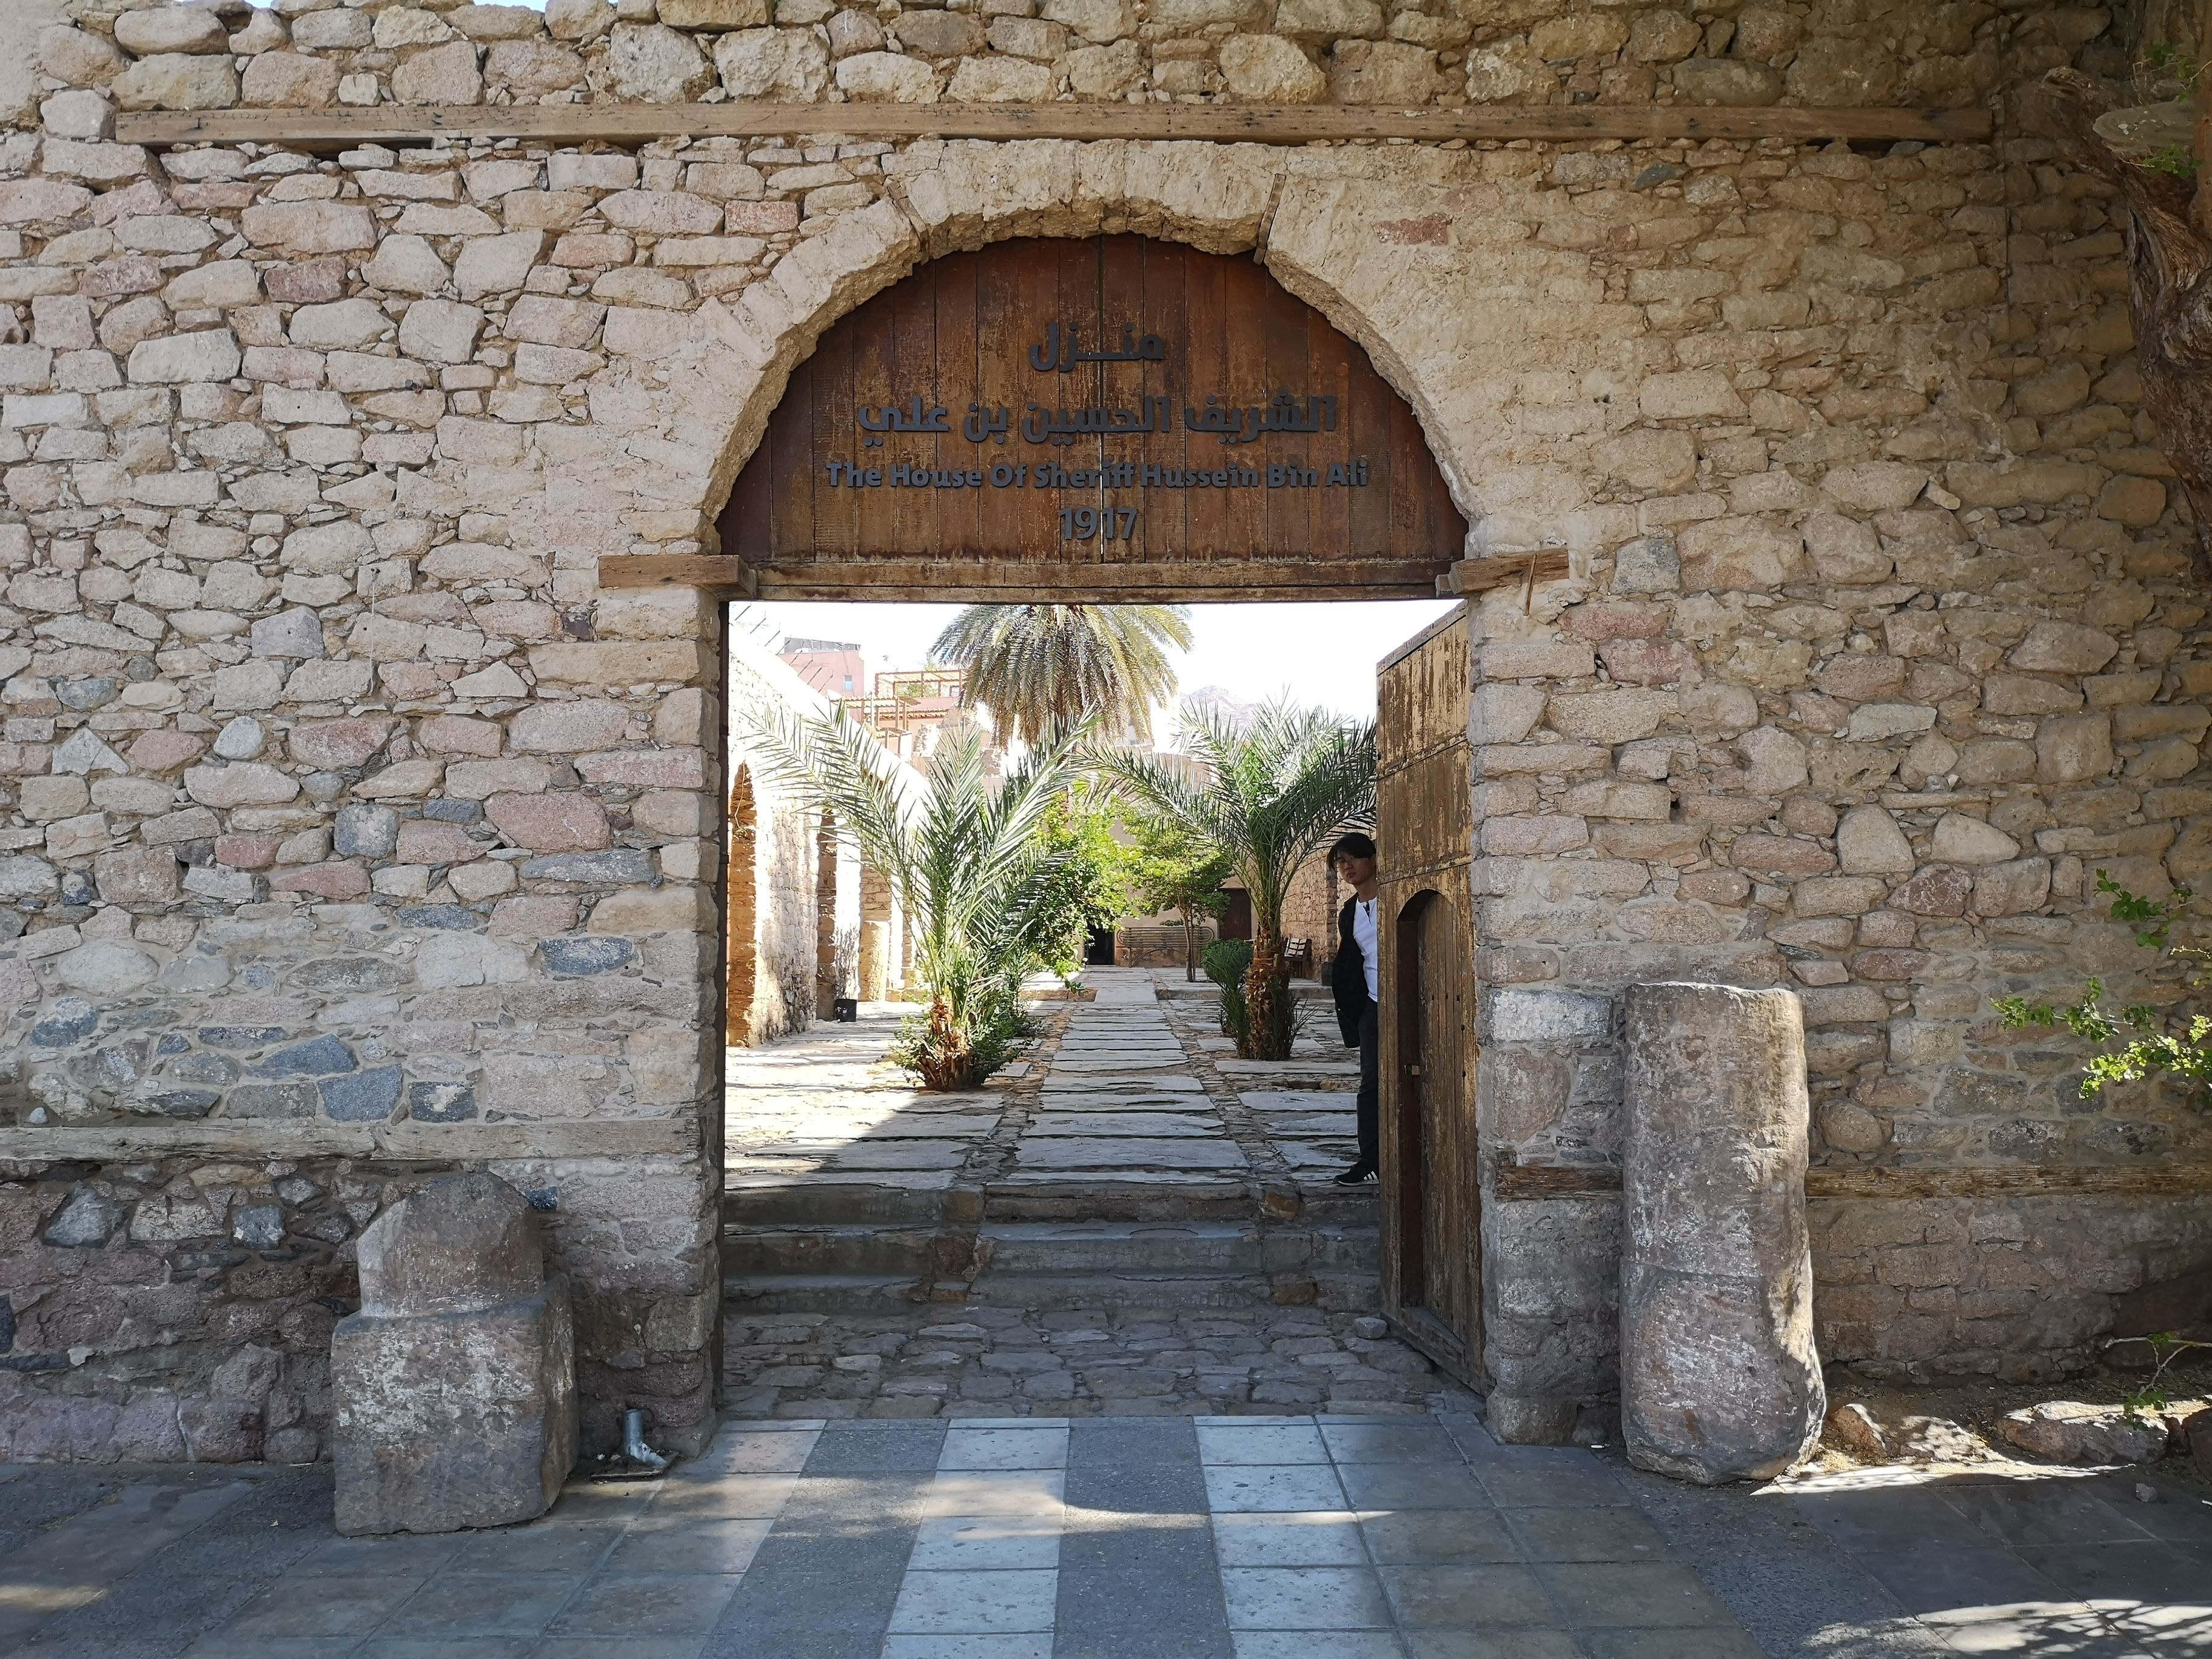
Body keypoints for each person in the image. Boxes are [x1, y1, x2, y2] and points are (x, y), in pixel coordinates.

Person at [1328, 831, 1380, 1185]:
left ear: (1373, 859)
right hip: (1372, 1006)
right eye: (1340, 862)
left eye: (1352, 859)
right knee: (1370, 1084)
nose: (1347, 868)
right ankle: (1370, 1160)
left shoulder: (1395, 899)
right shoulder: (1349, 911)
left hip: (1410, 1002)